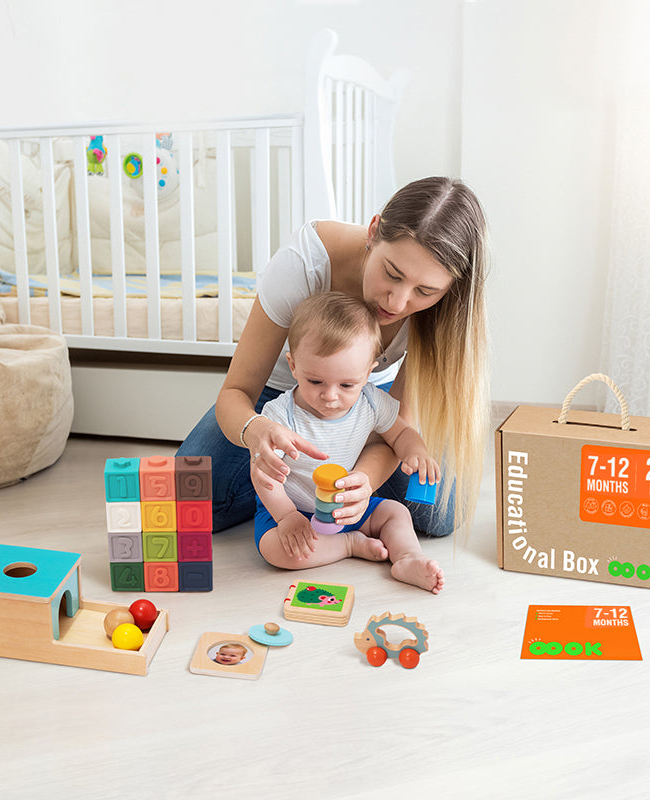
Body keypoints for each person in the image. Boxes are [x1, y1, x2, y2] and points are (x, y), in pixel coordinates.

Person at [177, 176, 489, 540]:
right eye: (391, 273)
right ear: (373, 231)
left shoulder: (444, 312)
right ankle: (286, 492)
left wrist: (364, 483)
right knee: (183, 503)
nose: (397, 303)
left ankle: (312, 485)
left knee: (440, 514)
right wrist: (256, 431)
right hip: (278, 396)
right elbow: (236, 392)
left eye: (424, 291)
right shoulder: (304, 263)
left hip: (369, 398)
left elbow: (397, 426)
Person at [254, 291, 444, 594]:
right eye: (315, 381)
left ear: (368, 373)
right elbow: (263, 474)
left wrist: (416, 451)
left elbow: (401, 433)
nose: (330, 396)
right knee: (274, 550)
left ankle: (408, 558)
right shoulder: (280, 415)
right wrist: (286, 516)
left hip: (352, 508)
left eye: (346, 385)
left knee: (397, 513)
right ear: (293, 365)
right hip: (296, 511)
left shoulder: (371, 401)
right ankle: (347, 545)